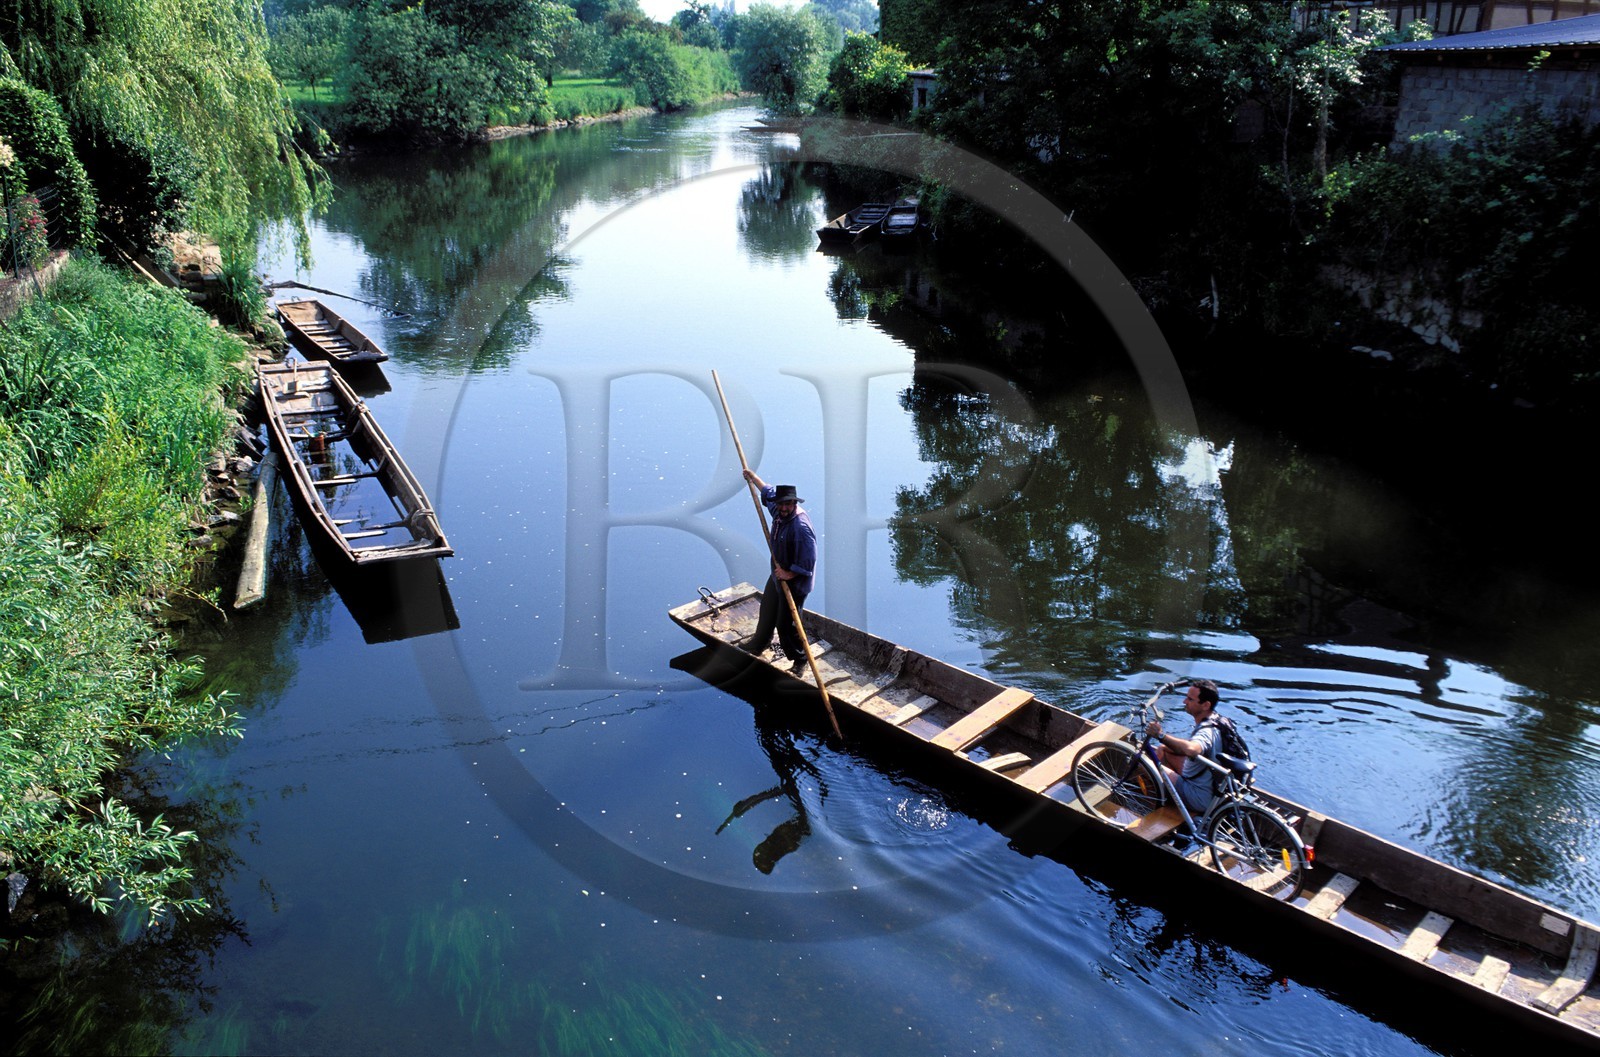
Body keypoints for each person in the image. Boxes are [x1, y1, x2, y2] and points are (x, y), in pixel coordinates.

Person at [741, 469, 816, 663]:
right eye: (780, 504)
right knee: (767, 610)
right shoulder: (779, 509)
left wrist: (789, 574)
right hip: (778, 573)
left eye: (787, 504)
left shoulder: (800, 528)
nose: (782, 508)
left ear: (794, 504)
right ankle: (759, 643)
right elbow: (767, 491)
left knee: (786, 625)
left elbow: (808, 562)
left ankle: (799, 659)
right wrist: (752, 477)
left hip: (795, 580)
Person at [1145, 679, 1223, 815]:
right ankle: (1168, 793)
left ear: (1205, 705)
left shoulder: (1205, 732)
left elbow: (1192, 749)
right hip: (1214, 788)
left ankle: (1155, 805)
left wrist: (1160, 735)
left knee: (1148, 766)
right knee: (1163, 749)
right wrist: (1165, 743)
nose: (1184, 702)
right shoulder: (1218, 721)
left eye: (1190, 699)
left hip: (1200, 798)